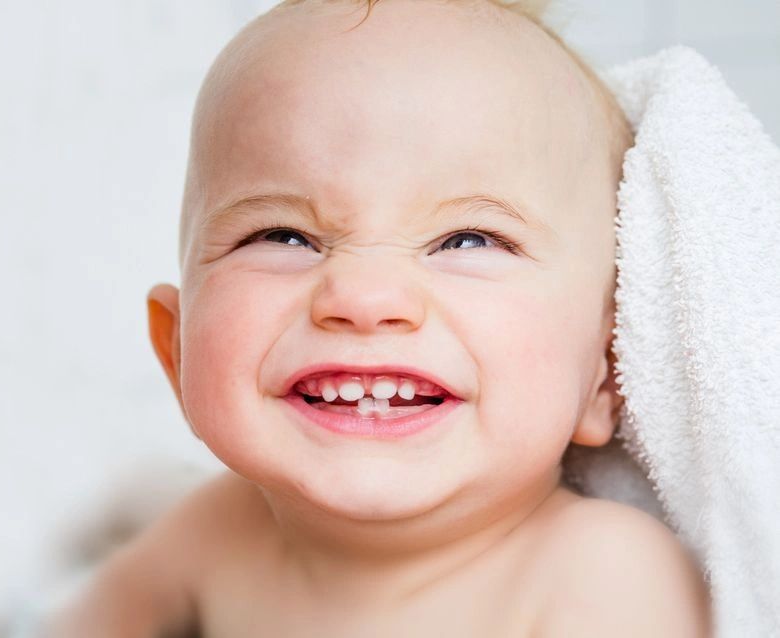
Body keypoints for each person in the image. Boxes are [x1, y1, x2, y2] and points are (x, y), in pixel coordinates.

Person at [49, 0, 712, 635]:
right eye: (283, 236)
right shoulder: (208, 534)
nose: (364, 298)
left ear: (607, 374)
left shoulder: (601, 574)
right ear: (178, 354)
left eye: (468, 240)